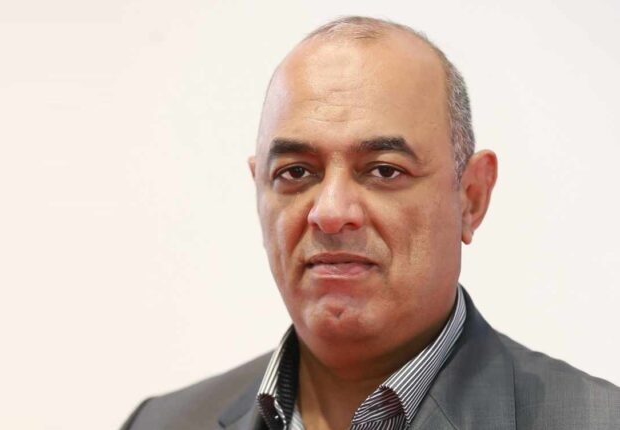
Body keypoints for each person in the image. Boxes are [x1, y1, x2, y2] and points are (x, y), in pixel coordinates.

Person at [121, 16, 620, 430]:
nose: (331, 212)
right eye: (296, 173)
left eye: (384, 170)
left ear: (471, 197)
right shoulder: (161, 423)